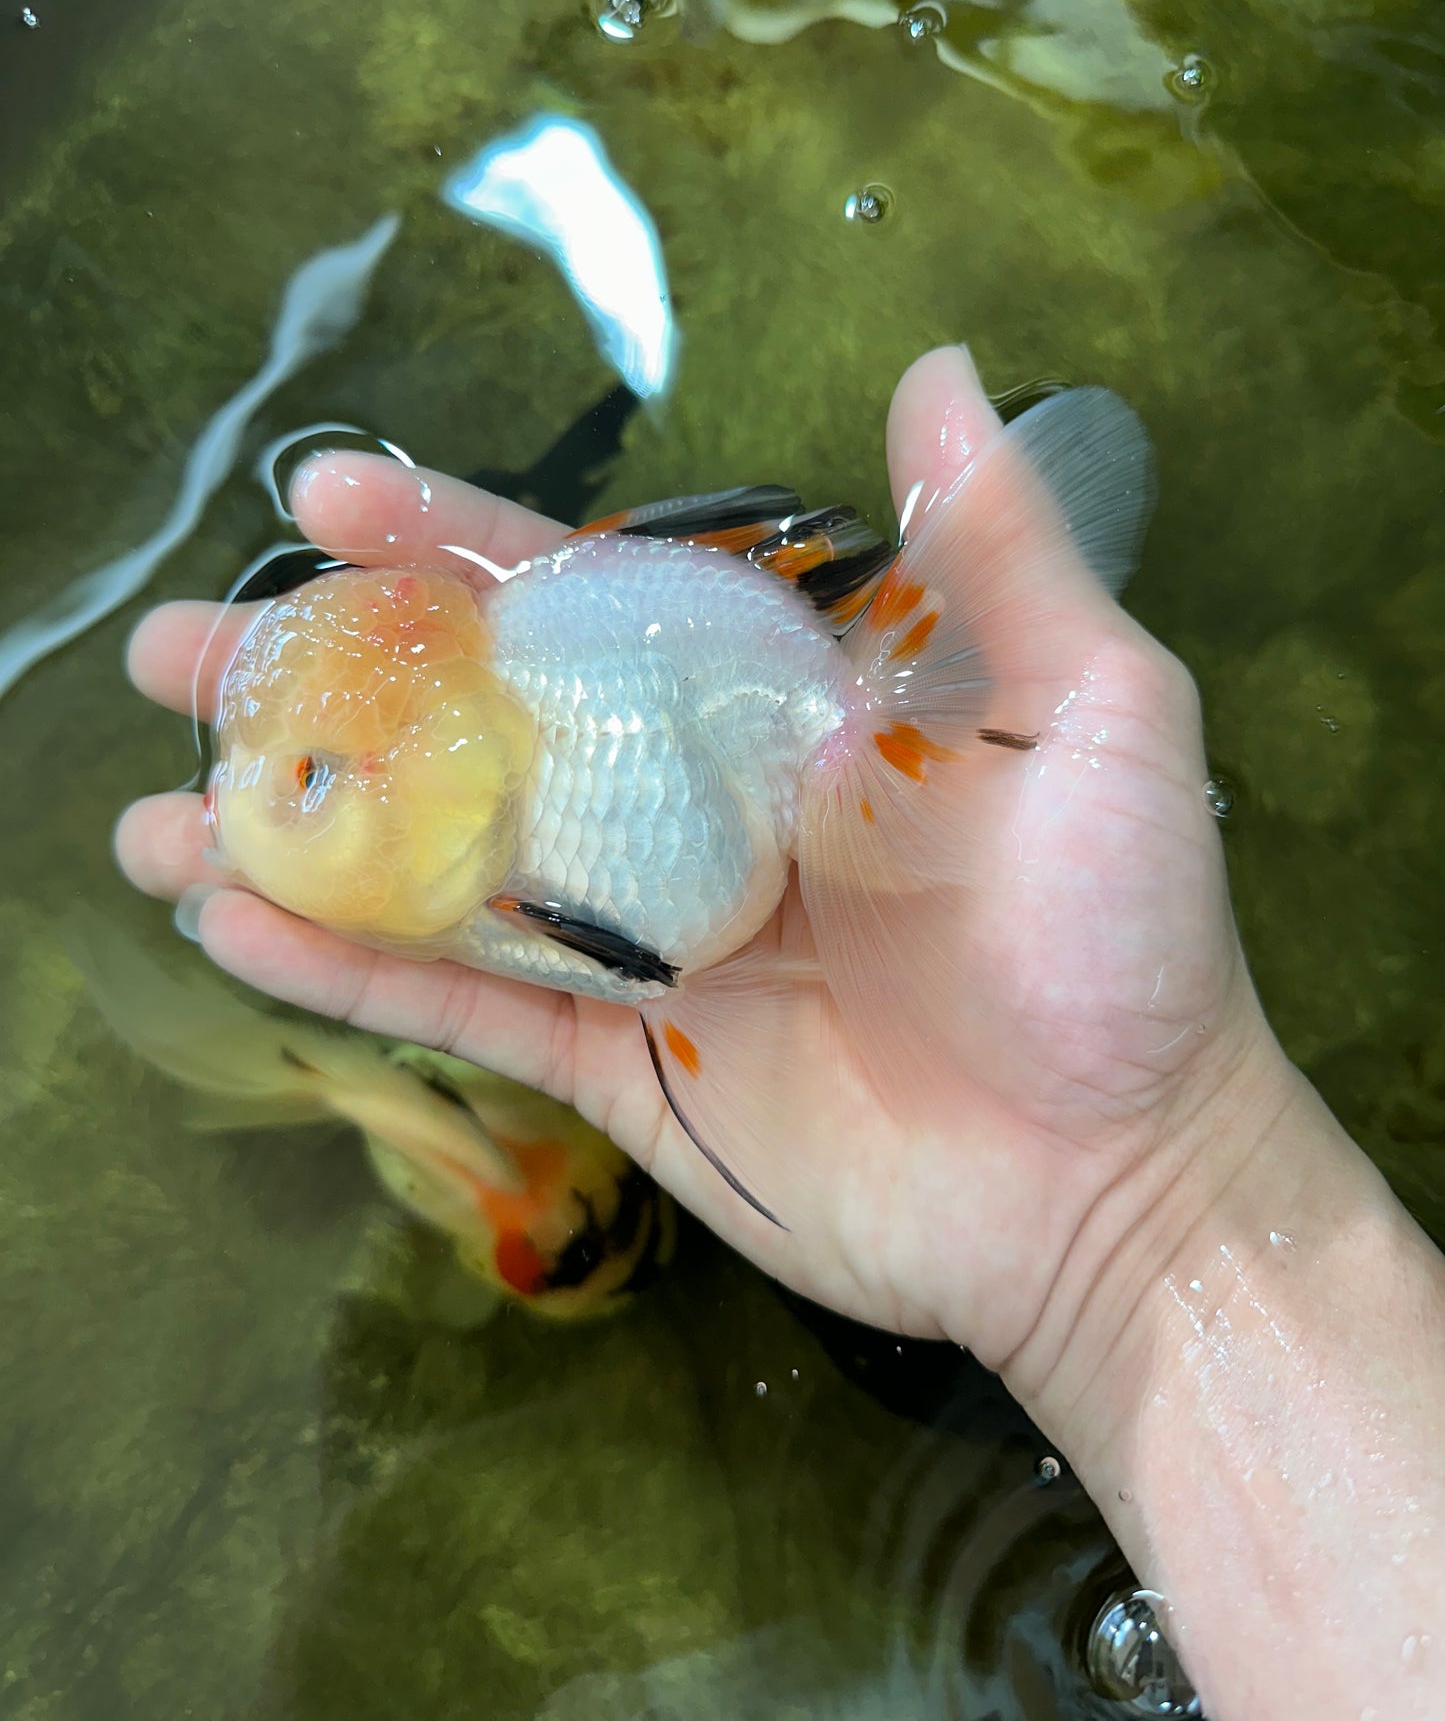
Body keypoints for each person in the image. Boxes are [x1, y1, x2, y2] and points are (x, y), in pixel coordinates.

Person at [116, 346, 1445, 1720]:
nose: (258, 805)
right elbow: (645, 967)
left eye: (314, 777)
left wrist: (1139, 1197)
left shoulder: (531, 793)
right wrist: (1142, 1222)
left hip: (775, 708)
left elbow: (646, 962)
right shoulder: (483, 811)